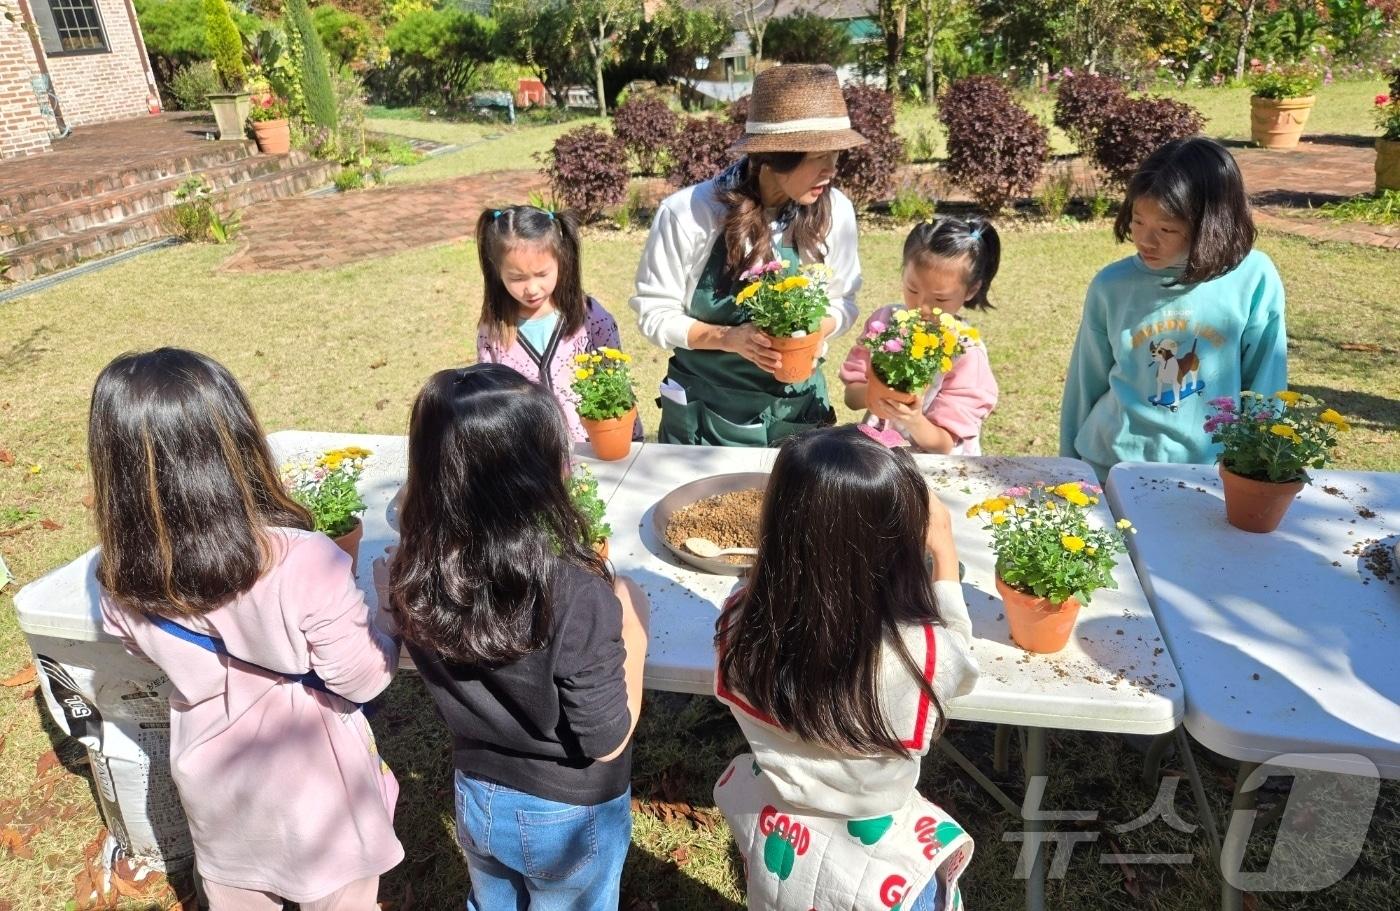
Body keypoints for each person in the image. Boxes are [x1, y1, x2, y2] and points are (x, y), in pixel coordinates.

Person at [93, 348, 402, 910]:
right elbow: (366, 679)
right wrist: (389, 612)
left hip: (216, 792)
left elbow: (139, 647)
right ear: (236, 441)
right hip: (320, 795)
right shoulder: (304, 559)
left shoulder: (117, 577)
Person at [383, 364, 649, 911]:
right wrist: (632, 624)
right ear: (541, 476)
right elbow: (608, 742)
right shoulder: (578, 593)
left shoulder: (411, 572)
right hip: (567, 814)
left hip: (477, 795)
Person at [712, 425, 979, 911]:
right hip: (882, 870)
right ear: (895, 546)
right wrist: (945, 555)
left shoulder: (740, 621)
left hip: (779, 834)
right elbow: (958, 660)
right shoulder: (919, 651)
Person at [631, 64, 864, 446]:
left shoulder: (836, 211)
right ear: (773, 156)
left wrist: (811, 333)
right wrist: (729, 338)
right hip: (705, 418)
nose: (830, 171)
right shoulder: (689, 213)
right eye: (817, 156)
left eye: (835, 155)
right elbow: (654, 313)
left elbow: (843, 300)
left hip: (797, 414)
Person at [1060, 137, 1288, 480]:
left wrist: (1261, 470)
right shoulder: (1111, 285)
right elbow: (1084, 384)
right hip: (1110, 467)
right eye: (1138, 221)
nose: (1145, 241)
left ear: (1211, 224)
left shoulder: (1253, 277)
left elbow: (1266, 385)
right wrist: (1070, 470)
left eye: (1166, 229)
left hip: (1208, 475)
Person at [475, 205, 642, 443]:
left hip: (592, 455)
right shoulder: (491, 331)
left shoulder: (592, 318)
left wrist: (632, 442)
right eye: (517, 278)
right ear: (497, 271)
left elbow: (618, 390)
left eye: (542, 274)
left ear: (561, 262)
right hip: (531, 460)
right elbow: (489, 403)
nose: (531, 289)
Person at [840, 216, 1001, 454]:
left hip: (936, 472)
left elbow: (945, 444)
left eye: (940, 299)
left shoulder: (966, 352)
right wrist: (876, 393)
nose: (921, 307)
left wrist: (913, 418)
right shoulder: (885, 322)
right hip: (879, 458)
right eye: (912, 289)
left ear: (972, 289)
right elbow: (851, 398)